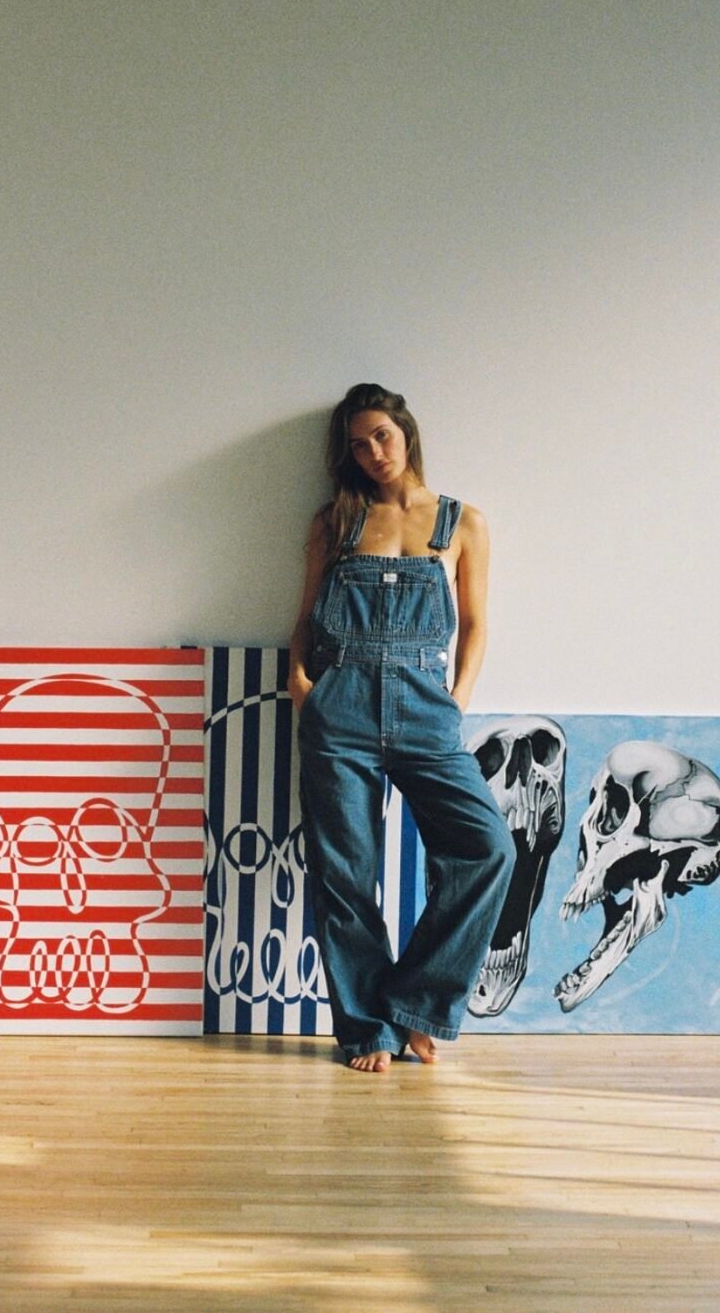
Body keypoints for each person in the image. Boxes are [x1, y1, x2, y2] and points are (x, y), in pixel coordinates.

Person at [288, 383, 516, 1074]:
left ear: (406, 432)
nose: (373, 453)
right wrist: (299, 682)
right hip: (341, 706)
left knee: (488, 848)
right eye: (358, 445)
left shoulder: (462, 521)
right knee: (345, 875)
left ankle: (416, 1003)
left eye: (381, 436)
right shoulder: (337, 521)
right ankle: (367, 1028)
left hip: (426, 710)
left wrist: (459, 698)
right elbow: (304, 615)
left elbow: (475, 623)